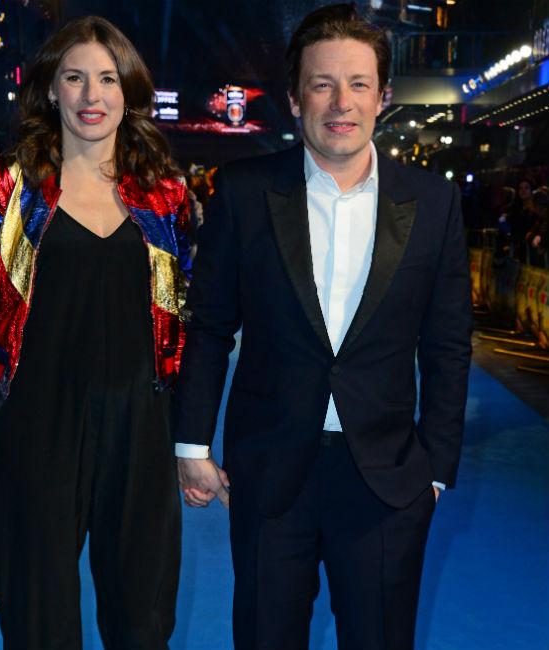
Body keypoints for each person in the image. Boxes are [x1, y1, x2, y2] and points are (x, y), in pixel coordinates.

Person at [173, 5, 473, 650]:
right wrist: (192, 444)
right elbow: (209, 324)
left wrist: (436, 469)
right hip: (269, 469)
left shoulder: (433, 202)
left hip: (387, 477)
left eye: (359, 83)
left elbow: (447, 344)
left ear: (383, 97)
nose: (341, 102)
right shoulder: (244, 191)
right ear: (294, 98)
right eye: (322, 84)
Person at [0, 16, 191, 649]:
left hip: (140, 421)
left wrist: (186, 435)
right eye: (75, 78)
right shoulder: (8, 188)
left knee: (142, 615)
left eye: (107, 79)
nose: (92, 95)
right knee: (36, 612)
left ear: (129, 91)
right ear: (50, 90)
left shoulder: (164, 194)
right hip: (36, 421)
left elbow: (183, 315)